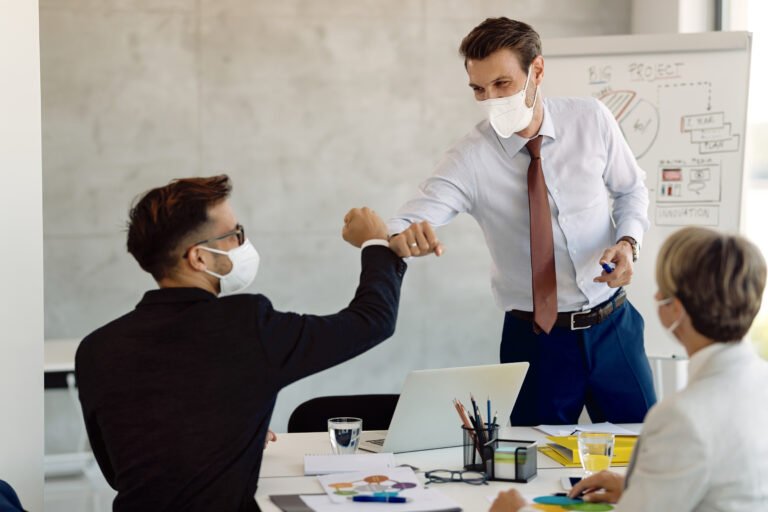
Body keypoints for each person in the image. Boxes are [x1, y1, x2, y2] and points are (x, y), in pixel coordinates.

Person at [75, 175, 410, 512]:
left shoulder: (95, 349)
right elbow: (371, 321)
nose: (243, 244)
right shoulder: (246, 324)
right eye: (235, 235)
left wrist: (224, 433)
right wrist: (375, 243)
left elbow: (124, 471)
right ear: (198, 258)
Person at [387, 17, 656, 425]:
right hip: (536, 343)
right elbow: (409, 218)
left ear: (538, 71)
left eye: (502, 85)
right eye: (479, 89)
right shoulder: (470, 158)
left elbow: (631, 189)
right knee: (534, 466)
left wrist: (628, 243)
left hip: (613, 326)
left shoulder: (591, 119)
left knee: (644, 452)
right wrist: (403, 233)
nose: (491, 99)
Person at [491, 226, 768, 512]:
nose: (657, 294)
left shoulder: (682, 417)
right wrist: (639, 489)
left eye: (663, 288)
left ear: (676, 308)